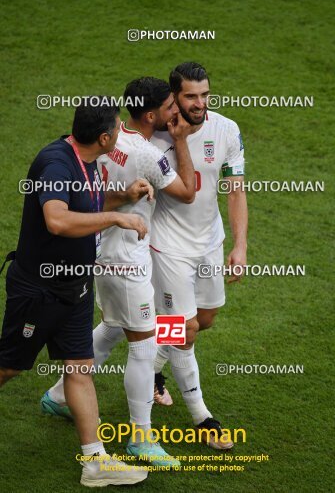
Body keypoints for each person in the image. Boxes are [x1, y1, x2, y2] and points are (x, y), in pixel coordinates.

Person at [42, 77, 195, 467]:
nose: (174, 111)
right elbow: (187, 191)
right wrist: (180, 139)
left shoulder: (109, 138)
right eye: (168, 108)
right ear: (151, 114)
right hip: (127, 260)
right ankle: (141, 438)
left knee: (113, 326)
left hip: (100, 252)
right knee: (145, 343)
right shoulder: (147, 153)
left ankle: (59, 395)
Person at [0, 97, 149, 487]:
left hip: (75, 288)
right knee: (10, 366)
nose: (120, 133)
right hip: (40, 292)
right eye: (117, 129)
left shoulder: (88, 161)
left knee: (79, 369)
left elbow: (89, 204)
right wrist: (117, 216)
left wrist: (124, 197)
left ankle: (95, 462)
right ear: (103, 137)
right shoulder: (56, 164)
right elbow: (57, 220)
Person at [150, 62, 248, 450]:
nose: (199, 103)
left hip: (209, 241)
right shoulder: (157, 138)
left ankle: (152, 369)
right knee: (184, 329)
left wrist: (239, 245)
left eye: (204, 94)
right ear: (174, 96)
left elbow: (235, 190)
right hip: (167, 246)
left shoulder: (227, 129)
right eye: (190, 95)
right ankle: (203, 417)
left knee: (204, 320)